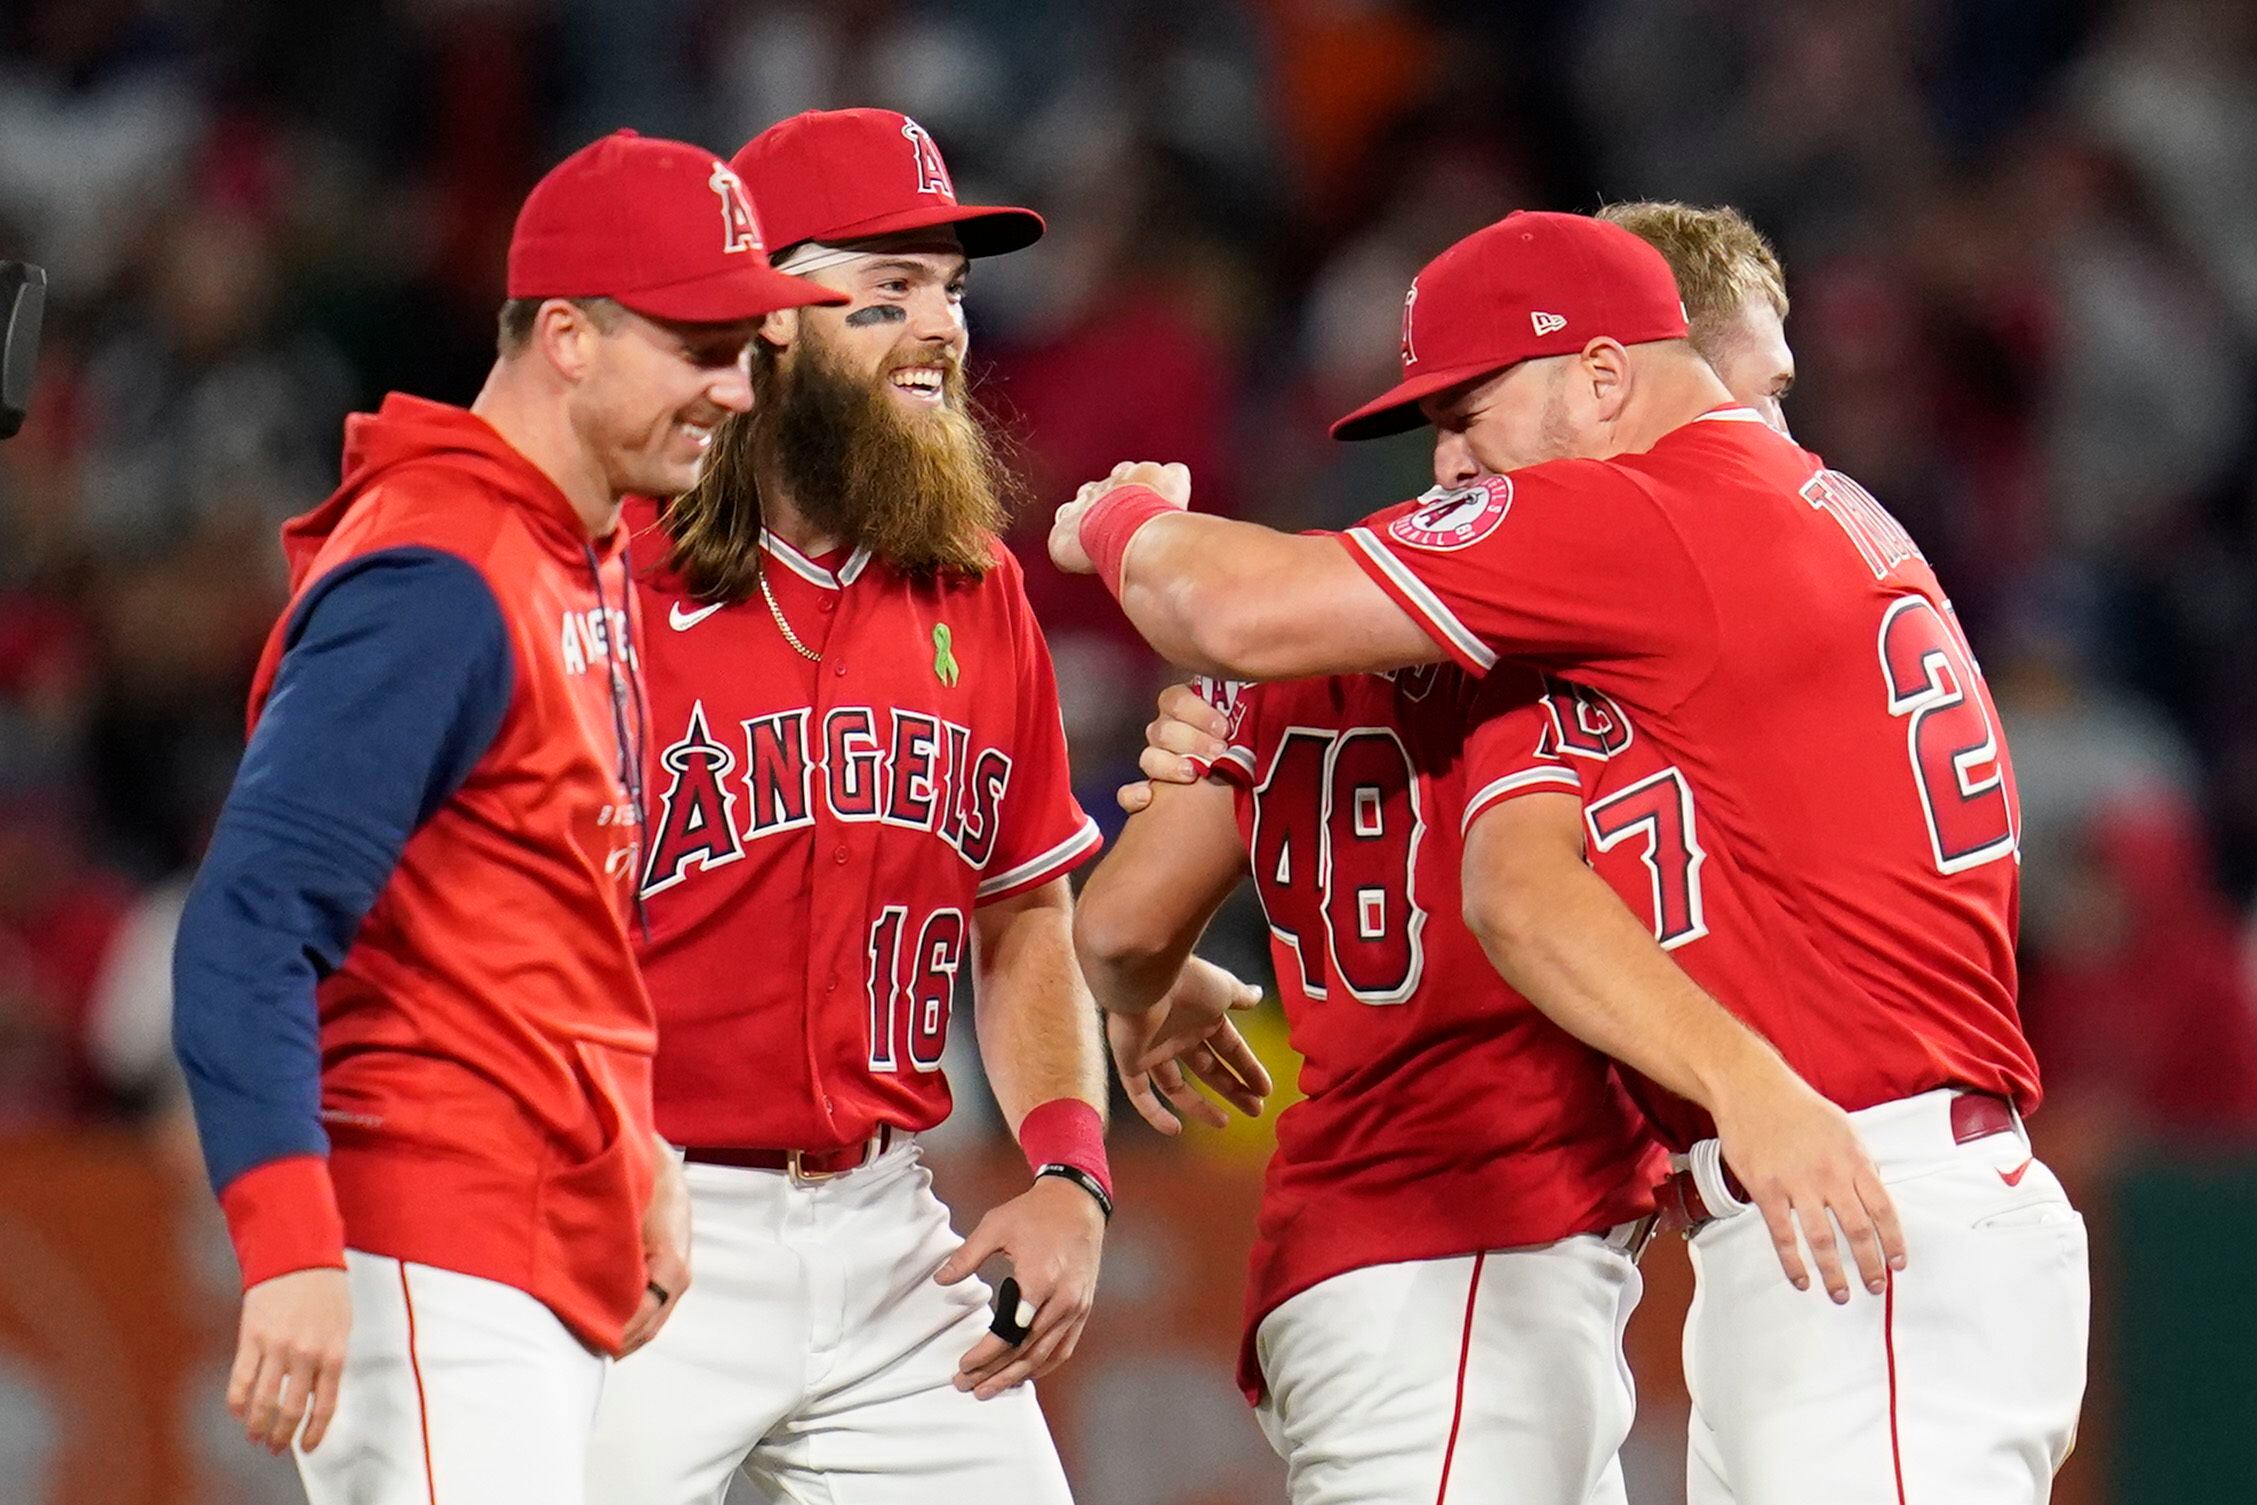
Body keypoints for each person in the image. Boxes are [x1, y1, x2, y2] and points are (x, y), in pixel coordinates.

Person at [1055, 210, 2087, 1503]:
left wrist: (1124, 517)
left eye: (1470, 407)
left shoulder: (1648, 516)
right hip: (1834, 1189)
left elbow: (1227, 611)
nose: (1451, 456)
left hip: (1853, 1183)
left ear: (1601, 380)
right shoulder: (1788, 510)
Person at [170, 130, 842, 1504]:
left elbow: (533, 905)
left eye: (747, 348)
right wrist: (292, 1241)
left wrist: (631, 1139)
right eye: (697, 345)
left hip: (521, 1245)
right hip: (428, 1247)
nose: (734, 389)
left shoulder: (563, 543)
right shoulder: (441, 572)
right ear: (567, 338)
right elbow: (246, 924)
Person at [585, 109, 1111, 1505]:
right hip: (634, 1214)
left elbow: (1025, 913)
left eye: (948, 288)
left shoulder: (973, 582)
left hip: (888, 1227)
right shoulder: (605, 577)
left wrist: (1068, 1169)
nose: (934, 327)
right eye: (883, 293)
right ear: (762, 323)